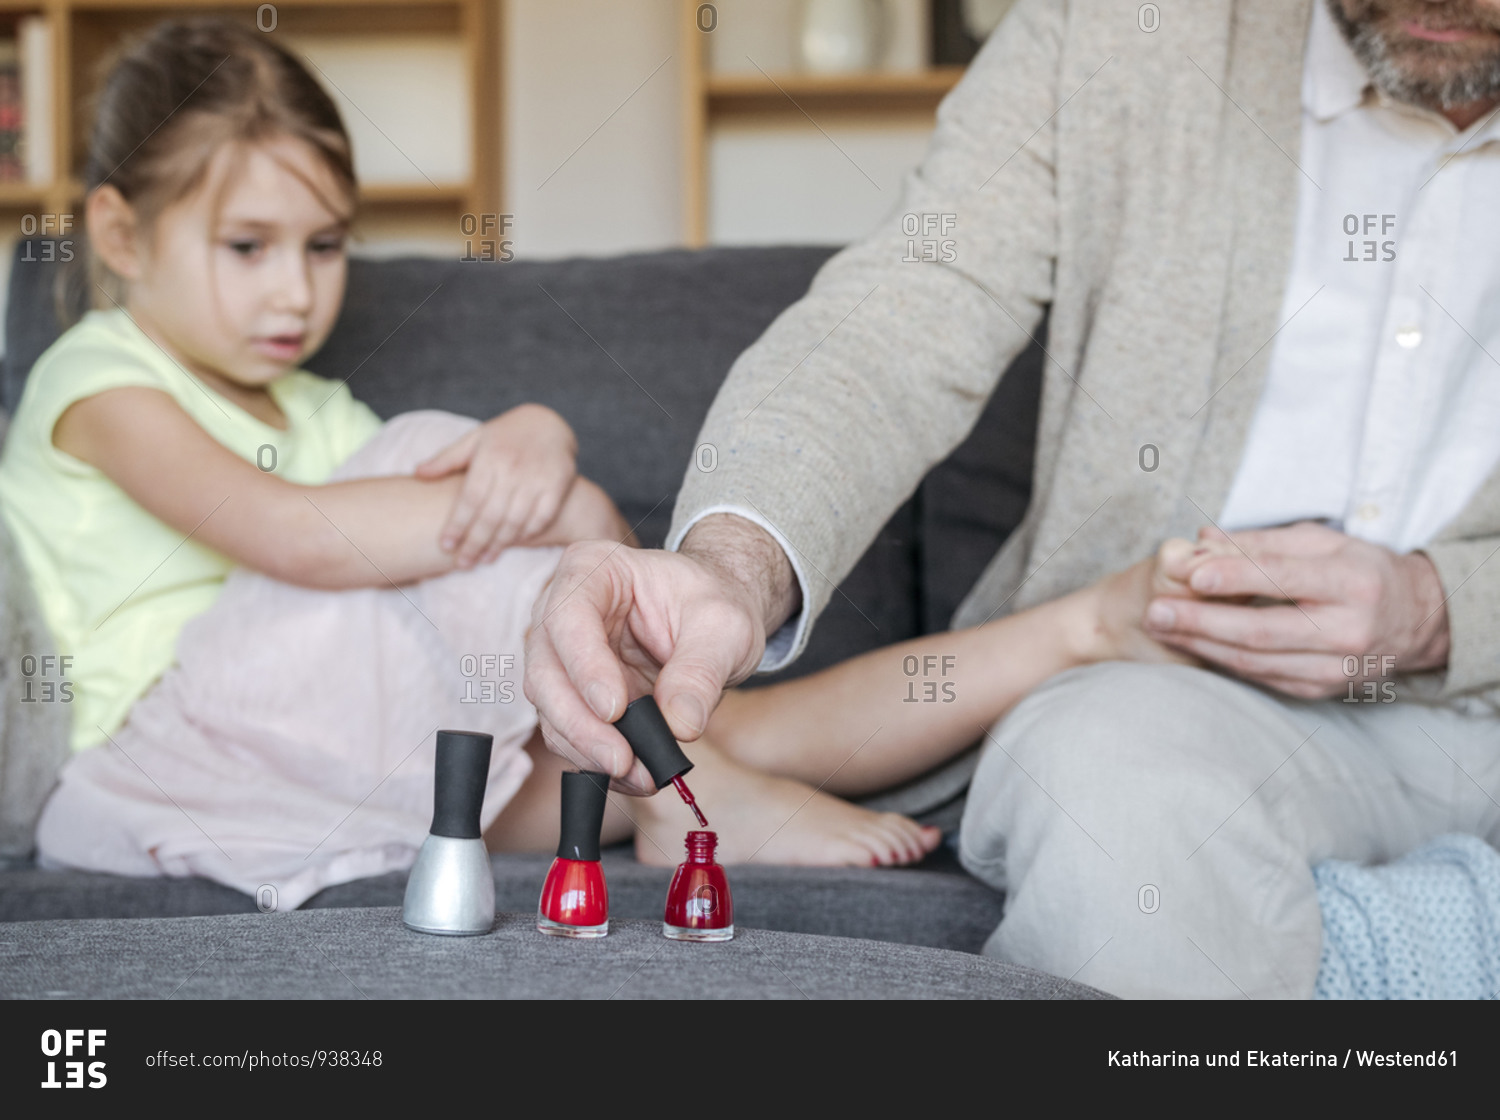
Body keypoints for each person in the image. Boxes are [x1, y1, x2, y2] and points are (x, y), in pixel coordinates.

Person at [524, 0, 1500, 998]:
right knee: (1116, 780)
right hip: (1176, 709)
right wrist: (727, 564)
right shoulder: (1115, 31)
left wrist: (1440, 608)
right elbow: (899, 320)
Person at [0, 18, 986, 907]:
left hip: (318, 752)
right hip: (150, 761)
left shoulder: (314, 410)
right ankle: (700, 783)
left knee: (639, 733)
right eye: (249, 246)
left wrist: (537, 434)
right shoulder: (99, 381)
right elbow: (298, 535)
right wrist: (565, 502)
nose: (295, 293)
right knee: (434, 448)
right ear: (122, 234)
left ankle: (1057, 638)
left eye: (326, 244)